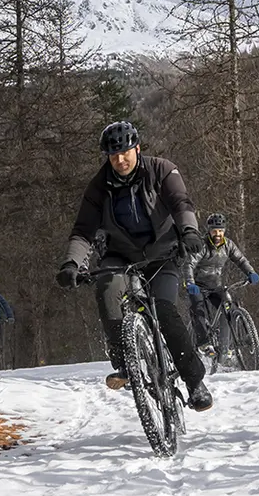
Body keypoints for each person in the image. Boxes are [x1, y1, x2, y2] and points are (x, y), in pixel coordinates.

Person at [58, 120, 215, 411]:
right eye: (113, 155)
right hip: (119, 255)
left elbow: (181, 203)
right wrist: (71, 263)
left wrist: (189, 231)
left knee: (165, 311)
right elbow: (83, 230)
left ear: (137, 148)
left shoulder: (161, 169)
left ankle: (195, 383)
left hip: (163, 254)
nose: (120, 160)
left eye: (125, 153)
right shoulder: (99, 187)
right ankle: (125, 364)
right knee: (107, 293)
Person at [185, 212, 258, 349]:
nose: (217, 234)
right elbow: (189, 264)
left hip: (215, 286)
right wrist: (190, 282)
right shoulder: (202, 245)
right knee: (198, 309)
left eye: (220, 231)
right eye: (214, 231)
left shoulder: (228, 245)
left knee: (230, 306)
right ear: (209, 231)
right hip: (197, 286)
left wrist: (251, 272)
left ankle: (239, 339)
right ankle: (203, 343)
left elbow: (240, 260)